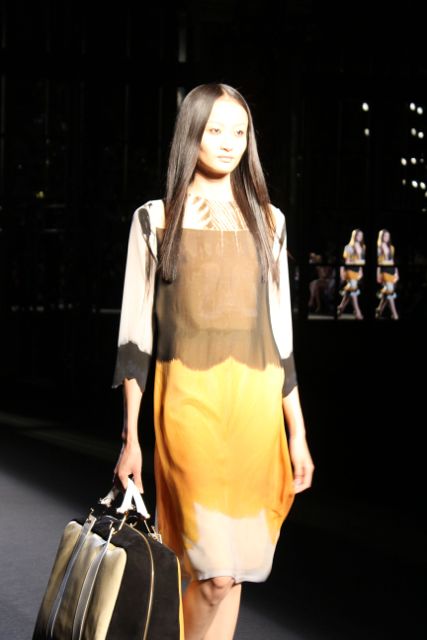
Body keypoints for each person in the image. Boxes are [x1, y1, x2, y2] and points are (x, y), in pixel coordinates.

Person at [111, 82, 315, 640]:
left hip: (255, 411)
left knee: (235, 568)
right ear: (191, 134)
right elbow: (134, 337)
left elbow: (281, 336)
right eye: (215, 130)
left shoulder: (269, 222)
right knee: (214, 573)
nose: (229, 142)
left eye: (240, 132)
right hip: (188, 407)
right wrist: (131, 436)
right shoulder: (155, 220)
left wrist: (297, 433)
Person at [337, 229, 365, 320]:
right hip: (349, 271)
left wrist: (361, 270)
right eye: (358, 235)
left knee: (350, 291)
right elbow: (347, 262)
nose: (359, 237)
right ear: (354, 236)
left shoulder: (363, 247)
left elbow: (362, 262)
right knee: (353, 291)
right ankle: (358, 312)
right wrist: (356, 261)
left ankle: (341, 307)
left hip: (357, 271)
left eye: (361, 235)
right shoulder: (348, 247)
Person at [376, 228, 399, 320]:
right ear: (381, 237)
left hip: (391, 270)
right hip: (384, 271)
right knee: (390, 291)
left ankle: (379, 310)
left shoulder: (391, 247)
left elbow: (393, 261)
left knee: (387, 293)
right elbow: (378, 263)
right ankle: (395, 315)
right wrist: (378, 274)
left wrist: (396, 272)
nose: (387, 237)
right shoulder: (378, 248)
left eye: (388, 236)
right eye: (385, 236)